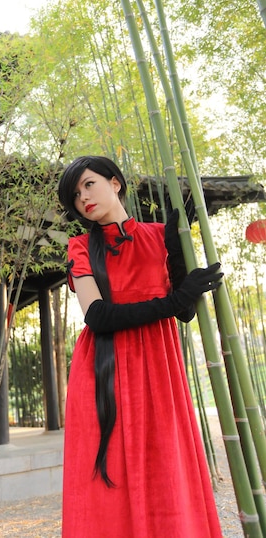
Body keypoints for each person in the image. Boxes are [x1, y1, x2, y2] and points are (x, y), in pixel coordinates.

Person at [58, 155, 223, 538]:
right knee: (108, 476)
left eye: (88, 184)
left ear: (115, 182)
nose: (83, 197)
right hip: (104, 368)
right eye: (76, 194)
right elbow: (97, 316)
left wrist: (183, 269)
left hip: (159, 365)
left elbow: (184, 314)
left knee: (164, 465)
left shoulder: (159, 235)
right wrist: (173, 301)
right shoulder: (80, 247)